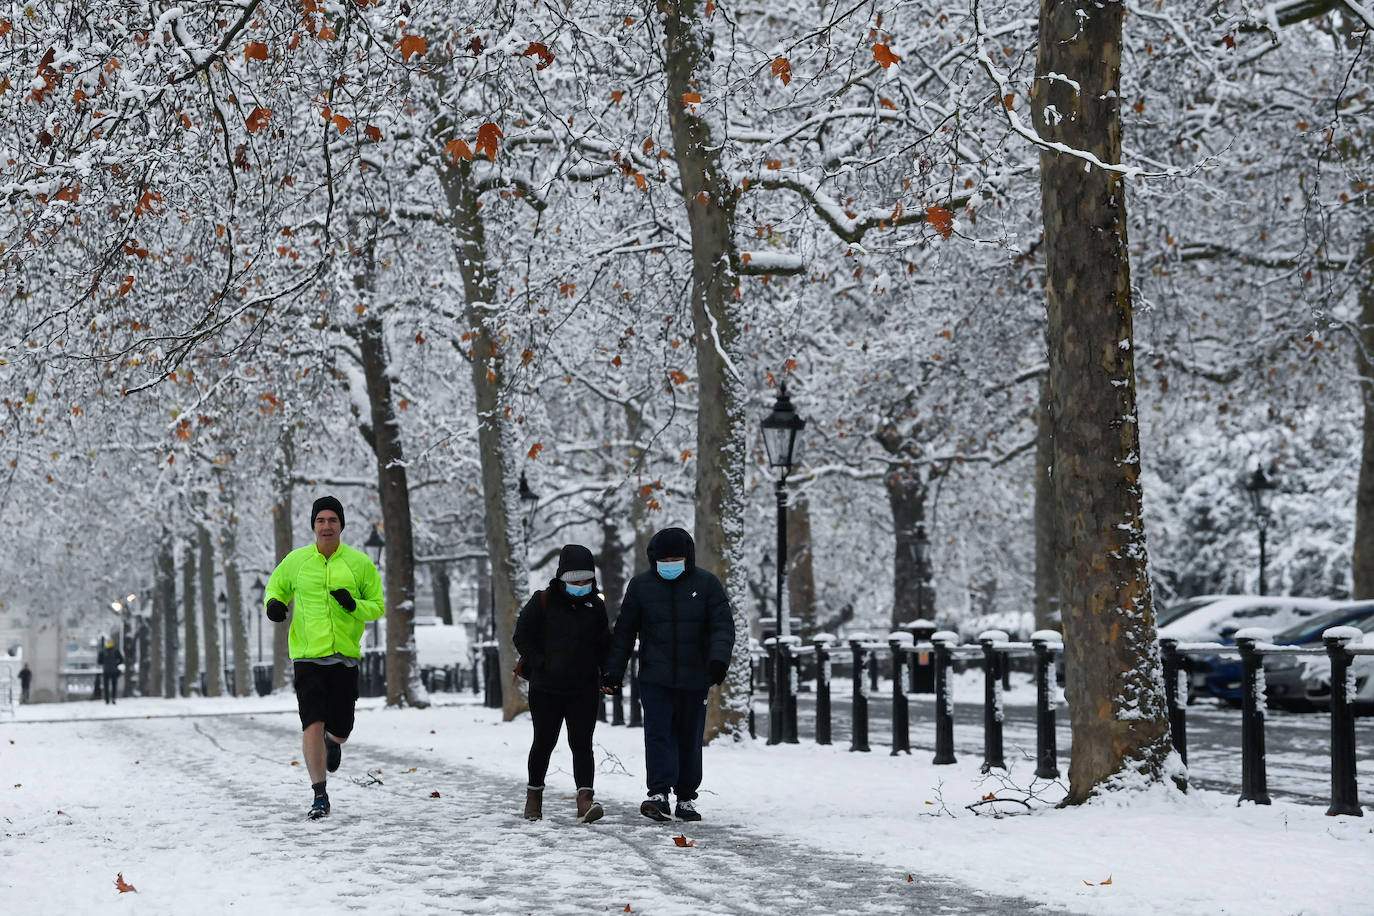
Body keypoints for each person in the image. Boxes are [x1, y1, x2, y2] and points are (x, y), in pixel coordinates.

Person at [264, 495, 384, 820]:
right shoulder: (297, 561)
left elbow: (378, 605)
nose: (326, 526)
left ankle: (335, 740)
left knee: (341, 727)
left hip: (344, 656)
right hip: (307, 656)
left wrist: (354, 605)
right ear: (313, 525)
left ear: (341, 525)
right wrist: (274, 605)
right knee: (311, 722)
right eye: (320, 520)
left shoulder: (359, 564)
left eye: (332, 520)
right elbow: (275, 588)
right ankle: (320, 794)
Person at [602, 527, 734, 822]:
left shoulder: (707, 584)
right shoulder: (640, 586)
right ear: (654, 559)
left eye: (676, 558)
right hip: (654, 677)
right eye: (665, 559)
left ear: (687, 557)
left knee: (689, 736)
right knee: (658, 733)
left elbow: (722, 626)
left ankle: (686, 797)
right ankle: (658, 794)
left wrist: (717, 661)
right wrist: (613, 671)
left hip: (694, 677)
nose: (670, 563)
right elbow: (624, 632)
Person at [513, 544, 612, 824]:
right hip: (546, 689)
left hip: (583, 689)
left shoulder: (596, 606)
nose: (580, 586)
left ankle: (585, 800)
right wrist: (541, 662)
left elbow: (604, 644)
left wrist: (609, 675)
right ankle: (534, 797)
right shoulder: (542, 600)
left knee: (582, 744)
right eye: (574, 581)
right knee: (544, 742)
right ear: (562, 578)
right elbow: (522, 636)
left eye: (586, 581)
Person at [100, 639, 123, 704]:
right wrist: (115, 664)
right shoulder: (115, 650)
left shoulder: (103, 651)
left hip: (106, 671)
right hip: (114, 671)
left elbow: (99, 661)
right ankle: (113, 698)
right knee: (114, 686)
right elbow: (121, 659)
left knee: (106, 686)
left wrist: (105, 663)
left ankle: (107, 700)